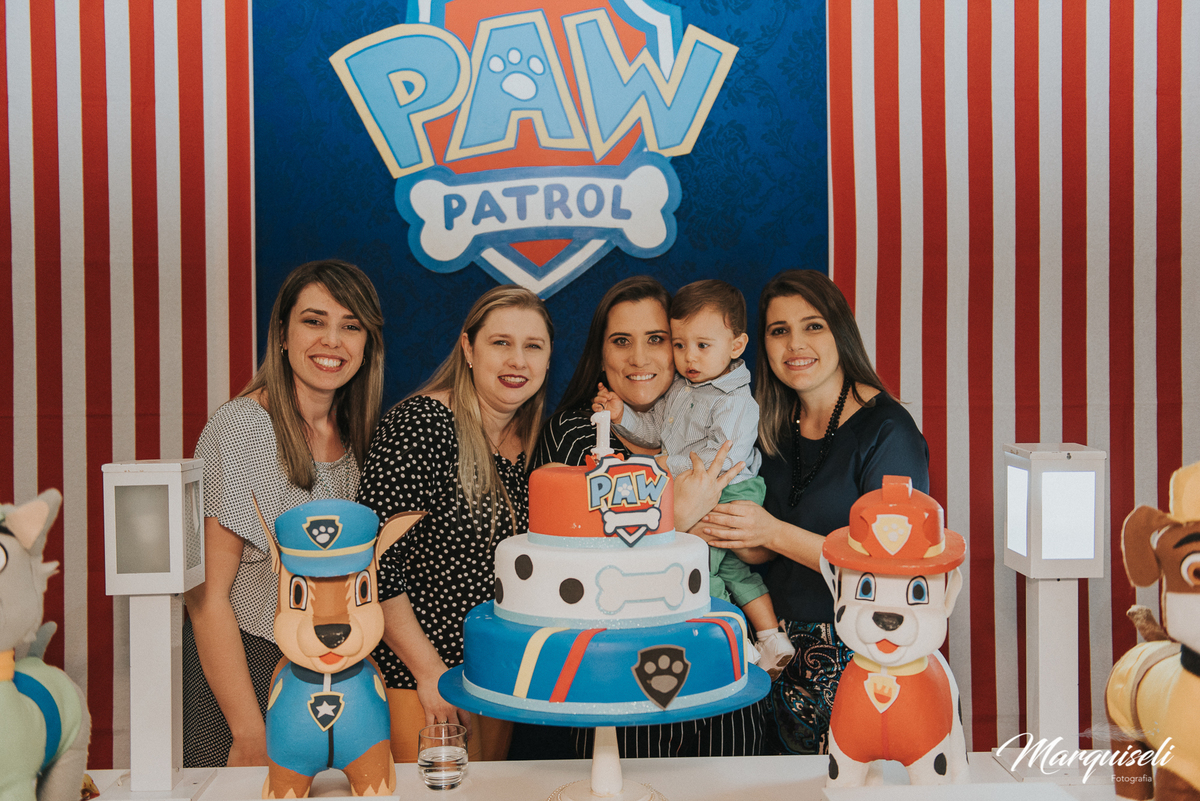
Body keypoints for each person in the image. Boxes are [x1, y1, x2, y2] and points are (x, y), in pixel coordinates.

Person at [699, 269, 930, 756]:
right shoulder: (770, 425)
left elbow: (891, 570)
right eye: (779, 330)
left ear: (841, 331)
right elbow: (763, 553)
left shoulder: (888, 432)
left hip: (861, 657)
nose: (795, 344)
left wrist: (772, 532)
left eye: (813, 326)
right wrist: (728, 530)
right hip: (772, 657)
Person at [528, 275, 758, 759]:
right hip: (618, 674)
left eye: (657, 339)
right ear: (600, 353)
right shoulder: (576, 436)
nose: (639, 357)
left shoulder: (722, 417)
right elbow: (583, 570)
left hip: (719, 676)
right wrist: (684, 515)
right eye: (621, 341)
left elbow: (754, 547)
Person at [183, 259, 386, 768]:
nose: (331, 341)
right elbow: (206, 598)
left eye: (351, 326)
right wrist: (249, 730)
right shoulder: (243, 428)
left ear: (367, 345)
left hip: (336, 674)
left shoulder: (358, 438)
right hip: (248, 675)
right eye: (314, 321)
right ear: (281, 333)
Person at [356, 286, 553, 765]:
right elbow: (373, 562)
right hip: (418, 678)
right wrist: (430, 673)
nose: (518, 360)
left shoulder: (531, 445)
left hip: (494, 675)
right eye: (501, 342)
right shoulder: (422, 424)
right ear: (468, 348)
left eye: (533, 346)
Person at [592, 279, 795, 676]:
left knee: (700, 567)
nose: (689, 357)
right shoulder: (683, 389)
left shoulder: (735, 399)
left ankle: (734, 640)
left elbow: (722, 455)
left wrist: (662, 465)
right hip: (702, 487)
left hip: (728, 488)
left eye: (703, 346)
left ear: (736, 346)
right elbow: (654, 431)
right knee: (731, 570)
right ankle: (771, 637)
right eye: (680, 345)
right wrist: (621, 416)